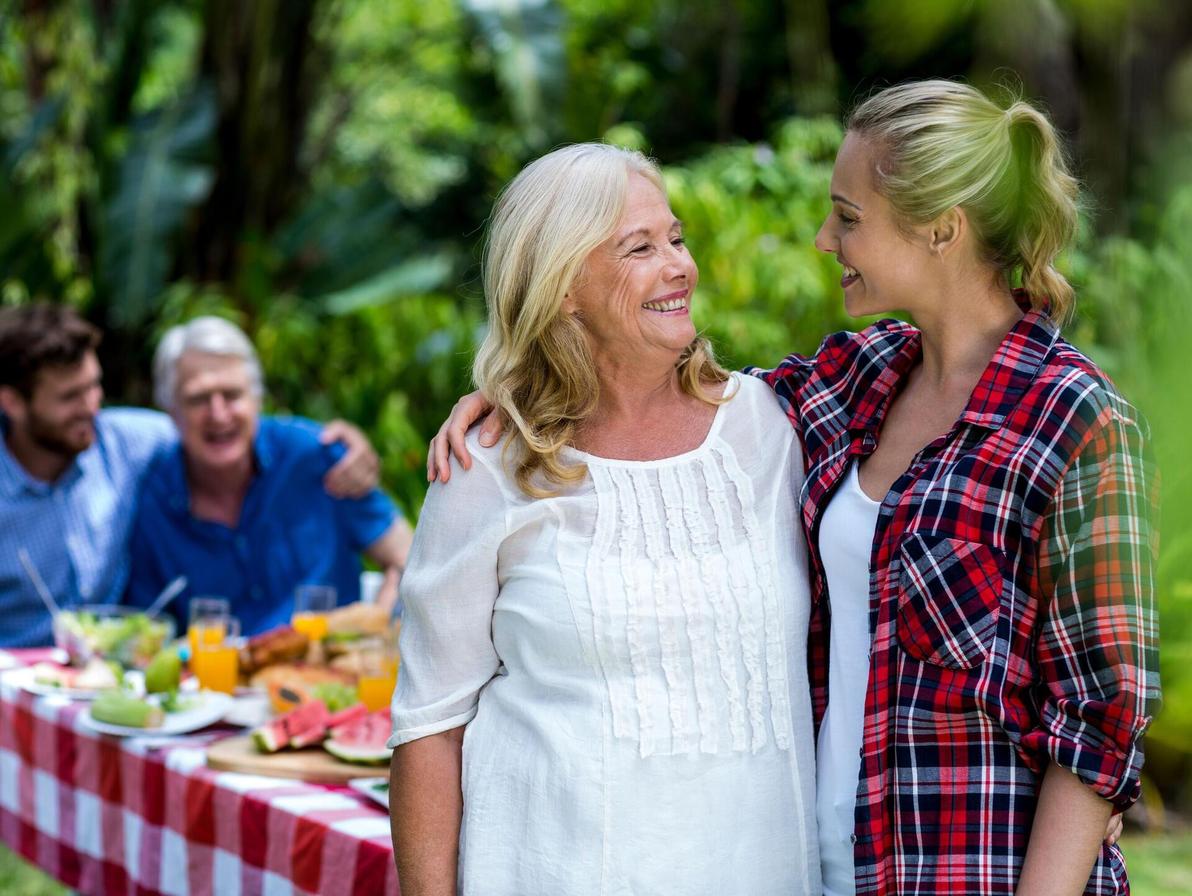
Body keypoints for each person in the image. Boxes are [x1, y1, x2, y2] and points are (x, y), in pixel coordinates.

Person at [430, 81, 1158, 895]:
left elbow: (1101, 723)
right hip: (827, 868)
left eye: (848, 217)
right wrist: (520, 390)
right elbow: (656, 402)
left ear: (941, 230)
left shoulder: (1076, 420)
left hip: (973, 874)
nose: (823, 239)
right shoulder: (854, 384)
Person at [389, 144, 818, 895]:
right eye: (639, 248)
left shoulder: (770, 428)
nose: (679, 265)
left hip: (764, 869)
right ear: (562, 289)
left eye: (677, 239)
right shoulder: (486, 467)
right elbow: (429, 725)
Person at [0, 304, 380, 648]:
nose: (92, 407)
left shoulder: (125, 441)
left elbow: (221, 430)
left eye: (94, 386)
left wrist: (342, 444)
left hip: (99, 680)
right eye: (70, 397)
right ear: (12, 402)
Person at [124, 316, 413, 635]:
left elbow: (409, 559)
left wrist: (373, 633)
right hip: (215, 683)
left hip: (329, 678)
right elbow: (147, 630)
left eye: (232, 395)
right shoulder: (155, 501)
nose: (218, 415)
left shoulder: (316, 456)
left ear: (257, 399)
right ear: (171, 411)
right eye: (198, 399)